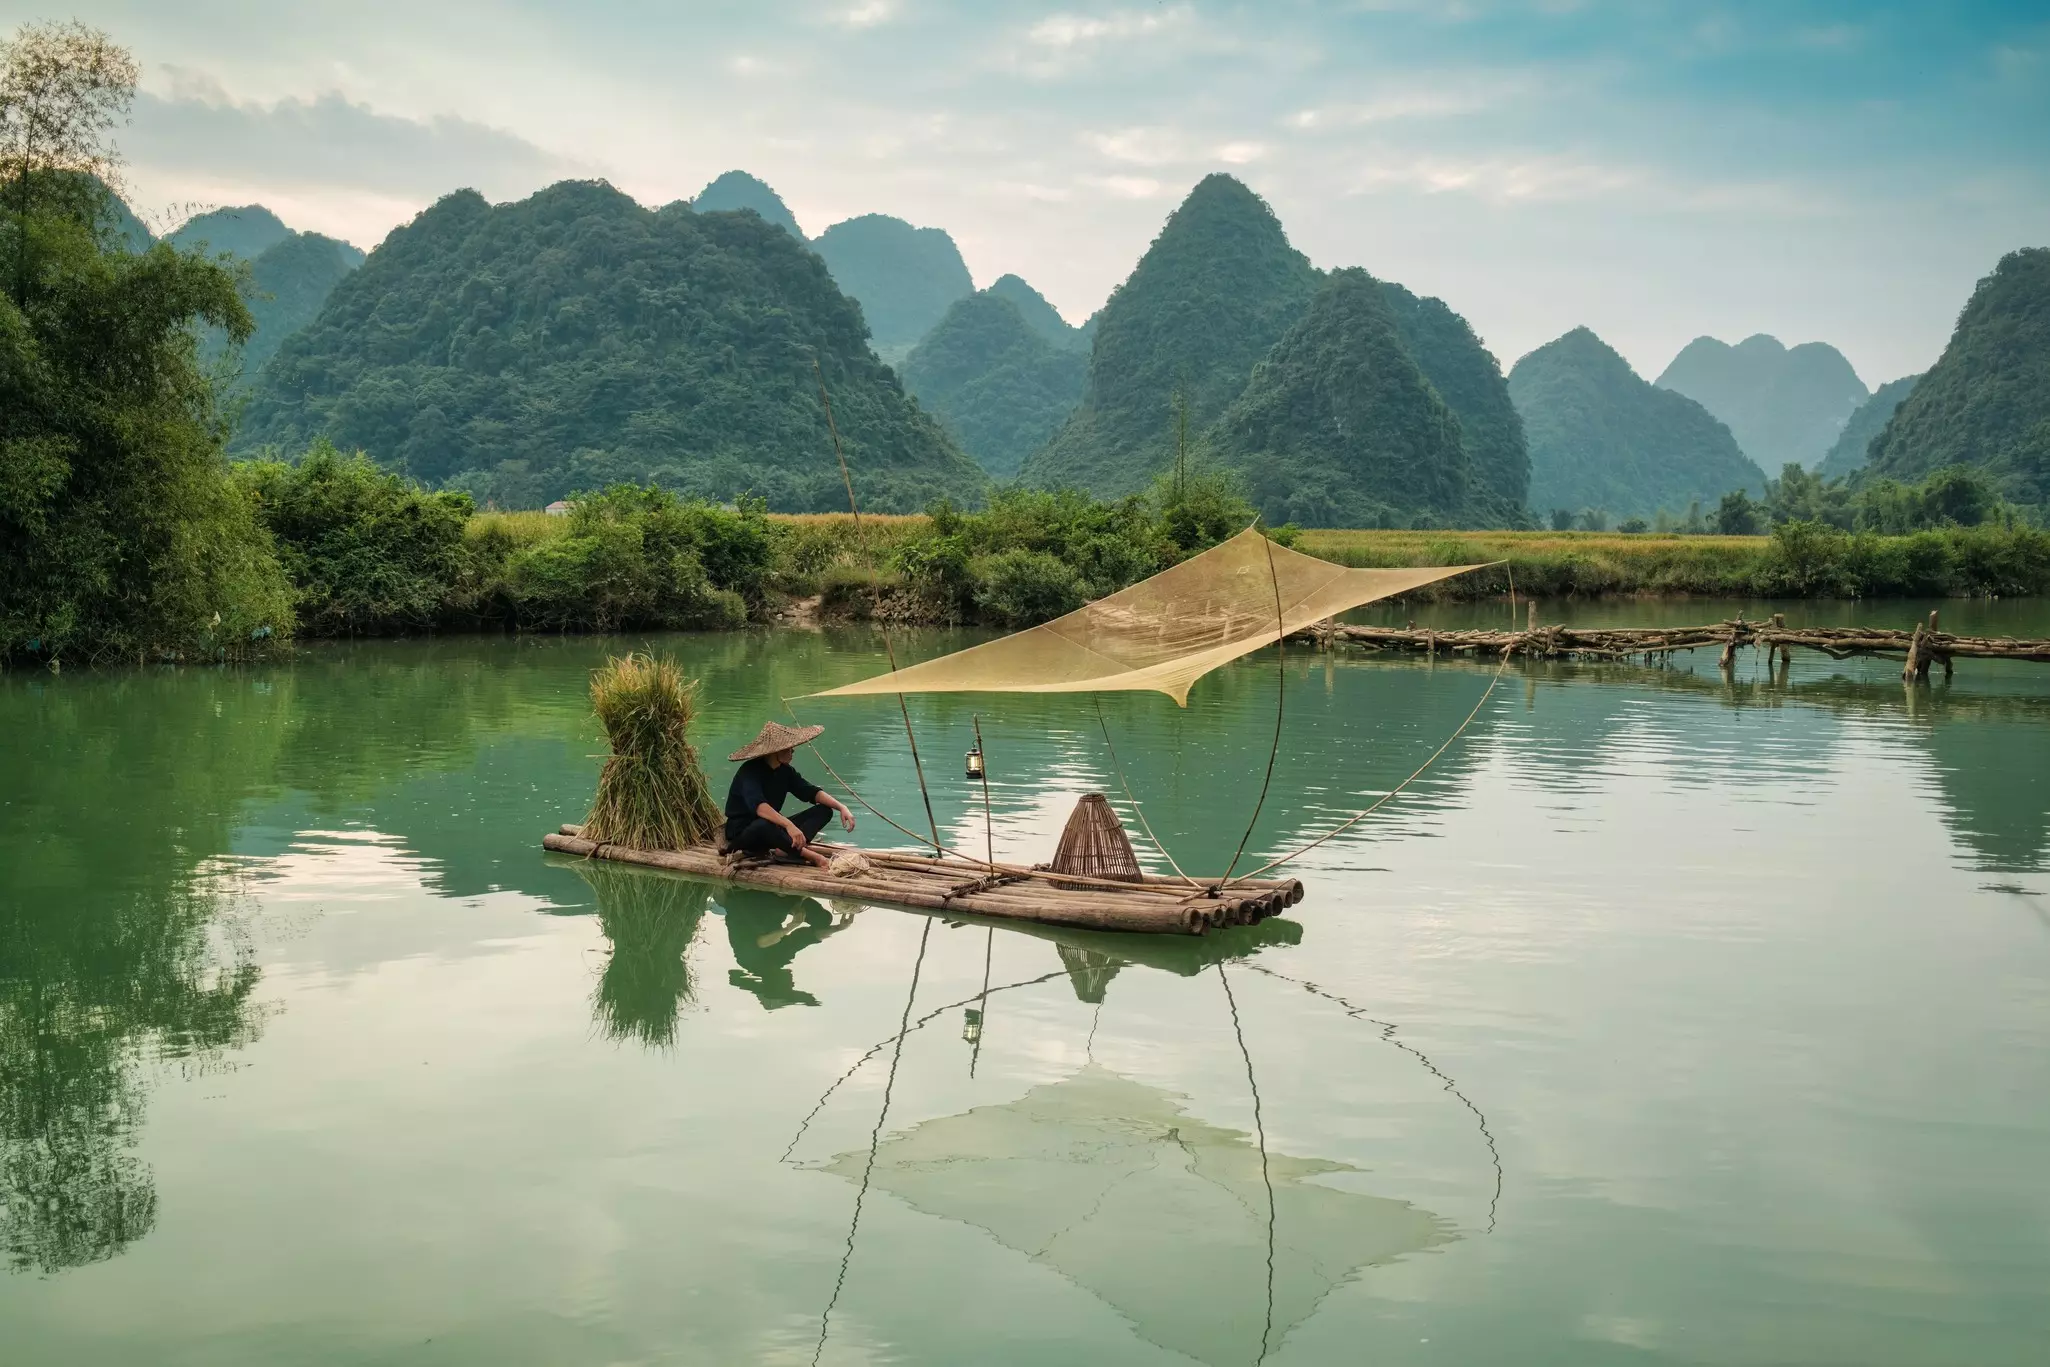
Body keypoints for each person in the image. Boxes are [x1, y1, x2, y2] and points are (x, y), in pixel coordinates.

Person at [723, 721, 856, 869]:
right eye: (789, 749)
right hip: (744, 833)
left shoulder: (785, 771)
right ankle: (812, 856)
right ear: (776, 751)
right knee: (763, 824)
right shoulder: (749, 772)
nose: (793, 752)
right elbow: (759, 807)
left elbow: (811, 791)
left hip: (774, 829)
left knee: (824, 810)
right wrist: (788, 825)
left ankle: (786, 849)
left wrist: (841, 807)